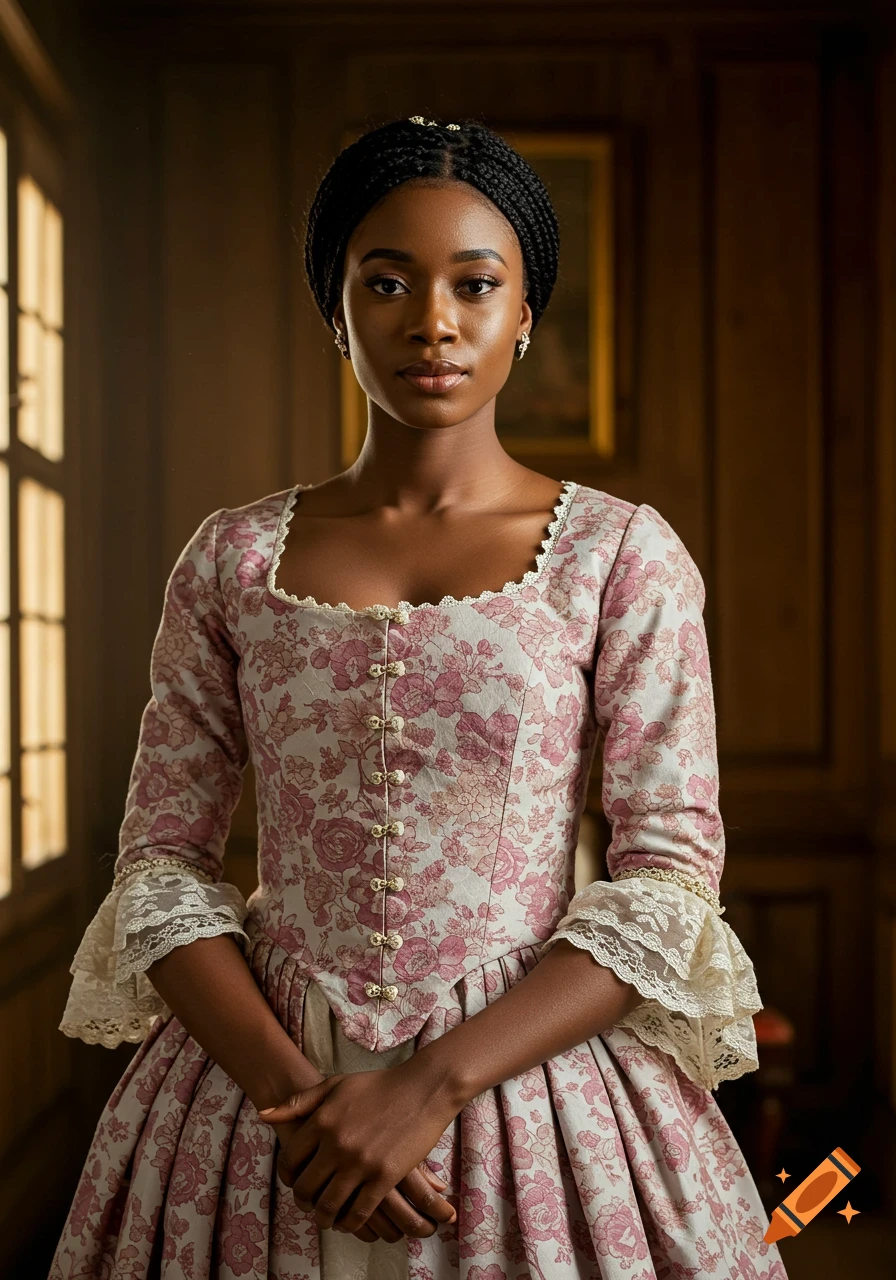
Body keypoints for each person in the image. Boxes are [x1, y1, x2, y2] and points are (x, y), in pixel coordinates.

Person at [50, 116, 787, 1280]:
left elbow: (664, 875)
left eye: (473, 284)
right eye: (384, 281)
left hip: (529, 1071)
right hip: (258, 1085)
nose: (430, 320)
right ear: (333, 310)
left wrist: (426, 1088)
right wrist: (305, 1102)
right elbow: (159, 863)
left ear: (523, 313)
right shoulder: (231, 558)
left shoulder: (618, 556)